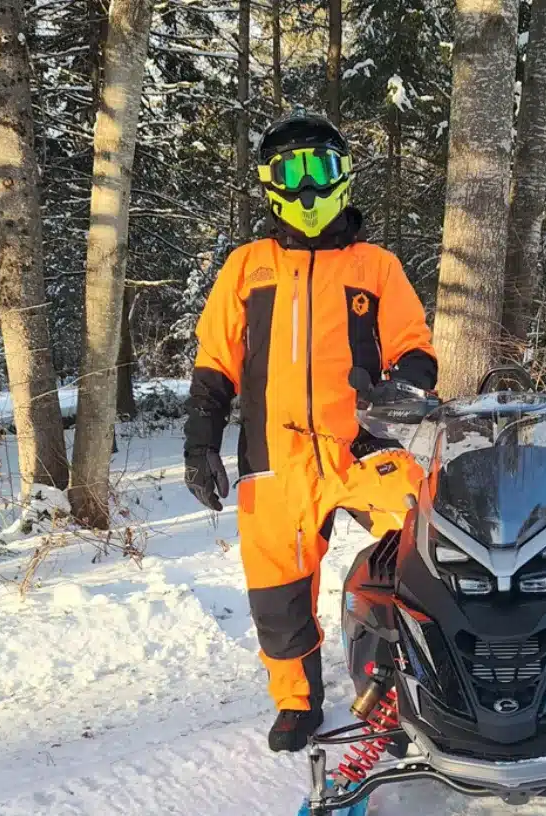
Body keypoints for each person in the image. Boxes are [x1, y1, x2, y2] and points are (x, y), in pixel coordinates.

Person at [183, 109, 438, 753]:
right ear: (269, 182)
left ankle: (418, 686)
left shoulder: (375, 266)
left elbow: (415, 346)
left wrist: (405, 387)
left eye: (318, 167)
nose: (306, 186)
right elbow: (215, 360)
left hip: (361, 445)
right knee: (276, 592)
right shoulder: (246, 267)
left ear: (343, 176)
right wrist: (200, 442)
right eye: (290, 169)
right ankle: (298, 703)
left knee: (431, 547)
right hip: (274, 457)